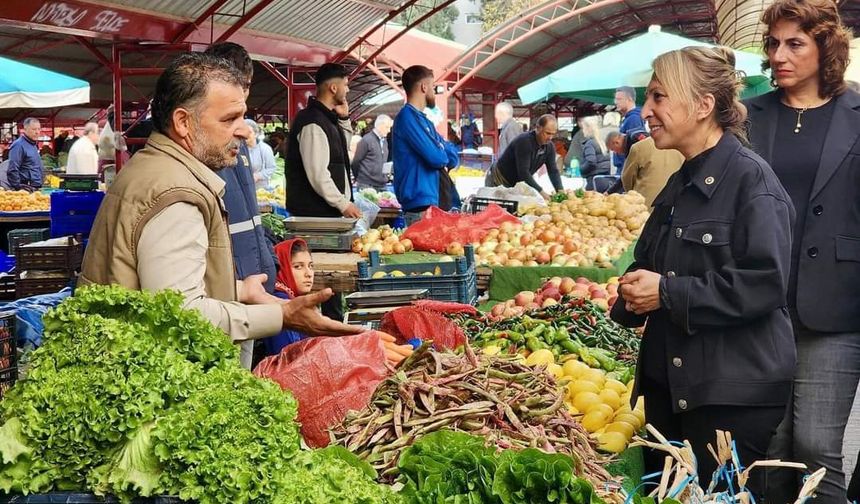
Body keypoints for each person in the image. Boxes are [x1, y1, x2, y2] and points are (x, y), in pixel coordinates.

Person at [80, 52, 362, 369]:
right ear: (183, 122)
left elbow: (164, 287)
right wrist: (282, 315)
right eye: (229, 119)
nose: (243, 131)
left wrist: (240, 289)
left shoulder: (154, 168)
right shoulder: (176, 194)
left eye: (242, 117)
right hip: (149, 374)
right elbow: (182, 314)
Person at [610, 46, 796, 498]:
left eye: (658, 97)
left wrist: (668, 293)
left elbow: (764, 284)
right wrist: (632, 294)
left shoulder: (752, 182)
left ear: (703, 105)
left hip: (728, 395)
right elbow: (653, 262)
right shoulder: (682, 181)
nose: (646, 110)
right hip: (675, 388)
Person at [744, 2, 858, 502]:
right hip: (758, 303)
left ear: (825, 47)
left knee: (815, 445)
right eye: (773, 44)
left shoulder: (857, 113)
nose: (779, 55)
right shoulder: (750, 114)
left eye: (795, 43)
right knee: (767, 444)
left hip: (836, 303)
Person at [204, 42, 279, 368]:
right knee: (226, 369)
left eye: (245, 87)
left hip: (249, 279)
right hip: (225, 287)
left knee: (241, 367)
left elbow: (249, 216)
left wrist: (266, 268)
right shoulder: (206, 143)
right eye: (237, 87)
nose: (243, 97)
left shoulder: (241, 141)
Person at [286, 63, 360, 219]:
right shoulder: (313, 122)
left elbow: (341, 150)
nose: (348, 90)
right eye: (345, 85)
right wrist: (343, 204)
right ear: (333, 88)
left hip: (326, 213)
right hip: (315, 214)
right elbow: (318, 173)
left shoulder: (327, 118)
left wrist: (344, 119)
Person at [392, 65, 459, 225]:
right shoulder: (407, 117)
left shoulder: (425, 120)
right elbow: (436, 157)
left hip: (432, 201)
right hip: (420, 205)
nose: (434, 92)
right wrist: (440, 148)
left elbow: (452, 157)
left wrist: (440, 149)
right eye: (433, 87)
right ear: (424, 87)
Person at [486, 114, 563, 200]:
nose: (550, 138)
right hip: (498, 179)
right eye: (548, 133)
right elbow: (523, 173)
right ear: (538, 128)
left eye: (553, 134)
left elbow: (553, 171)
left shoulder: (549, 147)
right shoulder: (525, 142)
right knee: (498, 208)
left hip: (517, 182)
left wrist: (560, 191)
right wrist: (541, 192)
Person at [261, 238, 315, 356]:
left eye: (310, 266)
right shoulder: (282, 303)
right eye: (298, 267)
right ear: (282, 268)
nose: (308, 274)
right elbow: (290, 358)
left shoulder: (291, 298)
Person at [606, 130, 685, 206]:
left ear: (616, 142)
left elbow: (626, 177)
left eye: (613, 149)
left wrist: (628, 192)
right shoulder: (679, 142)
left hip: (650, 195)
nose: (616, 153)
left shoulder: (636, 143)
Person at [351, 114, 392, 192]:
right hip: (366, 185)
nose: (389, 130)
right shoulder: (366, 140)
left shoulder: (385, 141)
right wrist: (360, 178)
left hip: (382, 184)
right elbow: (356, 162)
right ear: (380, 126)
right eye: (387, 127)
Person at [613, 85, 645, 172]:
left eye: (619, 99)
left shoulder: (633, 119)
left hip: (626, 169)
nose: (615, 102)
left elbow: (635, 149)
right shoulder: (629, 118)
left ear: (630, 99)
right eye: (616, 99)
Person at [8, 117, 44, 192]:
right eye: (34, 129)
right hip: (26, 189)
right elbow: (12, 168)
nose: (37, 132)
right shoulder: (18, 145)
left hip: (35, 187)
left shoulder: (33, 144)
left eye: (39, 129)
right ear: (25, 129)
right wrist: (18, 187)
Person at [578, 116, 611, 190]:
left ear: (588, 128)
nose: (583, 131)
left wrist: (581, 169)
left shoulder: (590, 143)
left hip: (594, 181)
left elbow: (591, 161)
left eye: (583, 128)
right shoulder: (602, 142)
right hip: (607, 179)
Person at [245, 119, 277, 189]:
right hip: (244, 188)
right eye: (244, 132)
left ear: (255, 134)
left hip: (261, 189)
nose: (246, 135)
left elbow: (271, 168)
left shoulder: (265, 149)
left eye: (249, 132)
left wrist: (258, 176)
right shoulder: (238, 149)